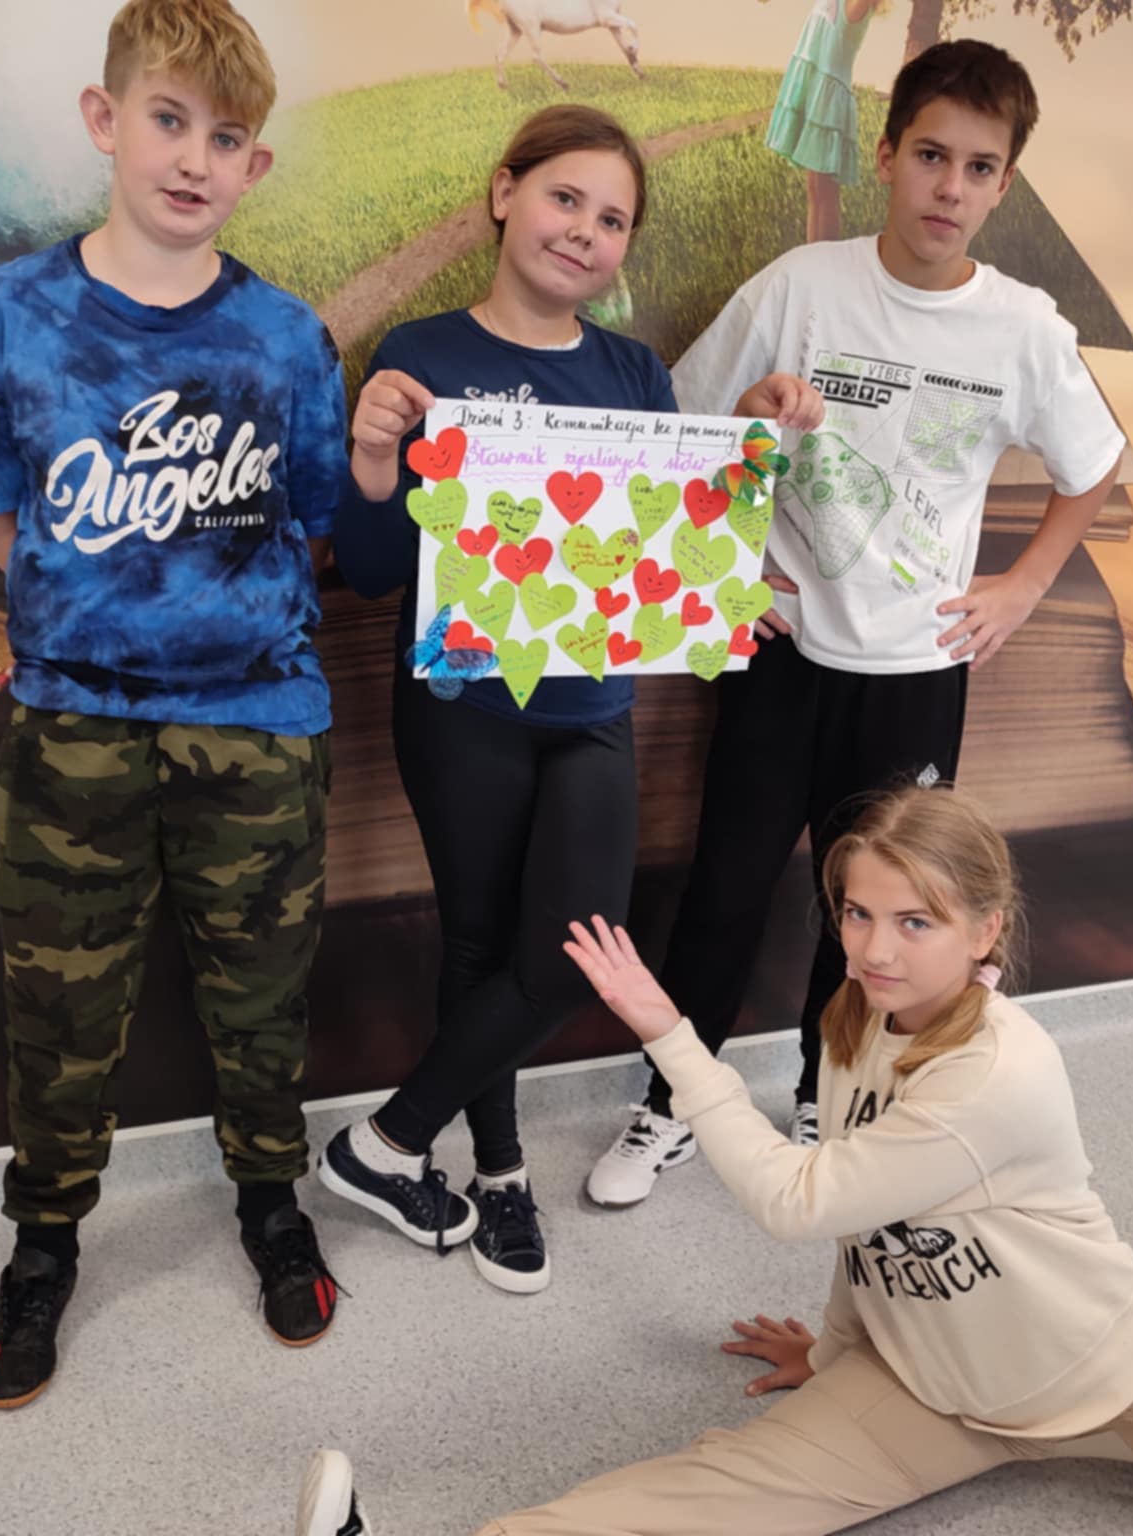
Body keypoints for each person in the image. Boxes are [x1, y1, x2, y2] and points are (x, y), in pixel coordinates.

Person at [296, 785, 1133, 1536]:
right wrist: (838, 1350)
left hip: (1098, 1375)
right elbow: (860, 1222)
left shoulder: (994, 1075)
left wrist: (667, 1033)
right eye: (854, 912)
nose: (875, 948)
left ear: (985, 929)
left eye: (915, 921)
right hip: (924, 1384)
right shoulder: (855, 1020)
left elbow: (793, 1198)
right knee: (715, 1495)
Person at [587, 38, 1127, 1209]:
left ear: (1002, 184)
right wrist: (745, 479)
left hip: (917, 671)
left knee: (875, 916)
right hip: (782, 657)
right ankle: (671, 1101)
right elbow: (684, 426)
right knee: (725, 888)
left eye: (977, 168)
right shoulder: (800, 287)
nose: (948, 187)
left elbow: (1093, 466)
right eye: (929, 155)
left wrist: (1023, 586)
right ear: (884, 156)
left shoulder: (1023, 328)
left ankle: (828, 1096)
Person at [324, 103, 821, 1295]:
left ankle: (381, 1145)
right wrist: (374, 459)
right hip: (459, 705)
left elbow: (654, 541)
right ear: (504, 194)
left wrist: (732, 547)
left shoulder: (630, 372)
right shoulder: (421, 354)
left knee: (569, 956)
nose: (583, 232)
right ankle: (498, 1172)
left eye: (611, 220)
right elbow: (379, 571)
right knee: (478, 942)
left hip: (591, 709)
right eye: (563, 198)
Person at [0, 0, 346, 1408]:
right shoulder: (7, 312)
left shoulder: (283, 339)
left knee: (262, 1000)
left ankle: (273, 1208)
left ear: (254, 167)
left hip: (258, 723)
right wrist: (80, 601)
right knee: (58, 1010)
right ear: (105, 120)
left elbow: (310, 527)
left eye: (225, 139)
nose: (191, 158)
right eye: (168, 120)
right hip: (72, 726)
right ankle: (44, 1244)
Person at [764, 0, 886, 244]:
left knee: (826, 194)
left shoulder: (855, 4)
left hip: (828, 102)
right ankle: (813, 256)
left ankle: (826, 258)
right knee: (815, 191)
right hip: (815, 95)